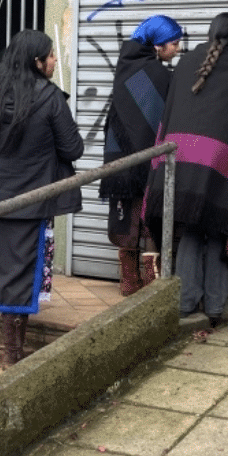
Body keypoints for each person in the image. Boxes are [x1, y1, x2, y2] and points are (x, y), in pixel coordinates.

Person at [0, 29, 83, 366]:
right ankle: (13, 357)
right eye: (52, 56)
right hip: (29, 202)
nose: (55, 61)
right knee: (21, 276)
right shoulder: (50, 98)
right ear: (37, 62)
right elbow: (73, 148)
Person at [144, 12, 228, 327]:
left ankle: (184, 305)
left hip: (182, 161)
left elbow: (168, 116)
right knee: (221, 232)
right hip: (222, 164)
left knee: (192, 231)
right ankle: (214, 309)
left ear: (210, 34)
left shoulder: (184, 65)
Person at [99, 15, 183, 296]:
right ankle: (151, 287)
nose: (178, 48)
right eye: (174, 43)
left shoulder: (126, 66)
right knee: (150, 220)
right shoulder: (159, 76)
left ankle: (128, 282)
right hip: (146, 161)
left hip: (120, 161)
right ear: (158, 46)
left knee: (127, 219)